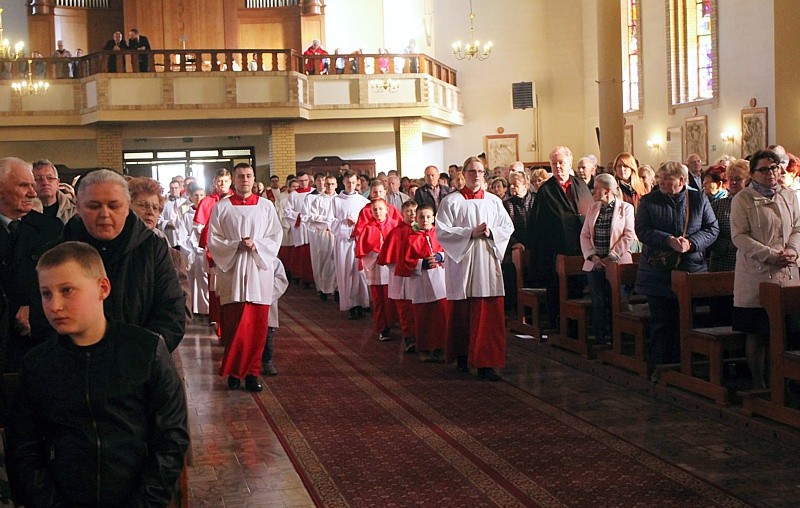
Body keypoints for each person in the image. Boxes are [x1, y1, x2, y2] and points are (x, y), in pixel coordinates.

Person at [8, 241, 189, 506]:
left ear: (102, 288)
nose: (54, 305)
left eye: (67, 290)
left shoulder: (145, 350)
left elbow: (170, 438)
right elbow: (24, 449)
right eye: (46, 294)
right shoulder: (38, 364)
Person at [52, 169, 186, 352]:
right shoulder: (62, 249)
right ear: (78, 206)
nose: (104, 214)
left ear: (127, 206)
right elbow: (48, 314)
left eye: (114, 206)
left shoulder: (152, 247)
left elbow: (171, 311)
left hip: (139, 363)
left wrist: (139, 356)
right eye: (94, 206)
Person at [635, 161, 719, 379]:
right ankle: (660, 369)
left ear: (682, 181)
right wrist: (668, 240)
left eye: (667, 179)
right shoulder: (648, 200)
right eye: (659, 178)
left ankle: (686, 369)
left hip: (690, 269)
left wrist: (691, 243)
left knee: (685, 321)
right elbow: (642, 230)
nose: (661, 182)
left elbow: (712, 229)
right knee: (661, 322)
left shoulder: (699, 199)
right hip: (657, 271)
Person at [437, 156, 514, 381]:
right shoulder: (451, 201)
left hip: (487, 262)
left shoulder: (493, 201)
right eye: (472, 171)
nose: (477, 175)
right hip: (462, 262)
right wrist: (469, 232)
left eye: (480, 171)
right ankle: (462, 355)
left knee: (486, 313)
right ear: (463, 174)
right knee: (461, 311)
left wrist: (491, 233)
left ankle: (485, 362)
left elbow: (507, 227)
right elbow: (442, 231)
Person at [207, 163, 282, 392]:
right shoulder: (222, 207)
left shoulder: (266, 206)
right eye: (240, 176)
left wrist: (256, 244)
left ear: (253, 179)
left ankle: (252, 373)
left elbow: (275, 236)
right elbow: (214, 240)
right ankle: (234, 372)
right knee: (234, 325)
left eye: (248, 176)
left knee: (257, 328)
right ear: (233, 180)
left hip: (259, 272)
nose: (245, 180)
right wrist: (236, 245)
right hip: (233, 271)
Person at [730, 150, 800, 389]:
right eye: (764, 169)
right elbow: (740, 237)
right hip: (757, 273)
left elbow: (798, 228)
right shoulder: (743, 199)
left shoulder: (788, 195)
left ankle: (782, 383)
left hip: (787, 272)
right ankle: (760, 384)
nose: (770, 173)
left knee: (784, 330)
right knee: (757, 331)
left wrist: (793, 251)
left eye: (774, 168)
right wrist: (771, 256)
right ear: (753, 173)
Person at [0, 158, 64, 372]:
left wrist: (34, 309)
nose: (33, 193)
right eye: (23, 185)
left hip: (38, 347)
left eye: (32, 185)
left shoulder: (51, 230)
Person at [528, 146, 593, 328]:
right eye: (554, 163)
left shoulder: (580, 185)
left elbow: (588, 211)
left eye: (561, 162)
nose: (558, 167)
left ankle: (577, 326)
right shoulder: (545, 190)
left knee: (578, 287)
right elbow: (538, 223)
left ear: (570, 162)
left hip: (580, 247)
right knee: (557, 288)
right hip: (556, 249)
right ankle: (558, 325)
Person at [579, 174, 635, 345]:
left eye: (596, 188)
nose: (593, 191)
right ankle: (600, 339)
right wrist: (593, 256)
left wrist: (612, 256)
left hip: (617, 262)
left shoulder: (626, 208)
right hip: (595, 263)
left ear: (608, 190)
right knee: (598, 301)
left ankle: (618, 338)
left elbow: (628, 235)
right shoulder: (593, 208)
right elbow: (585, 234)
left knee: (616, 300)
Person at [396, 203, 448, 363]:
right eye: (421, 217)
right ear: (416, 219)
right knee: (423, 316)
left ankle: (440, 347)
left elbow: (450, 251)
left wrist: (440, 257)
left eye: (428, 217)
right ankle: (424, 348)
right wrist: (420, 264)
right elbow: (404, 260)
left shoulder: (440, 234)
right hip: (420, 280)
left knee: (440, 314)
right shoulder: (411, 237)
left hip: (438, 278)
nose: (424, 220)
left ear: (433, 218)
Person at [194, 168, 233, 333]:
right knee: (214, 284)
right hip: (213, 250)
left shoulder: (235, 199)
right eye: (219, 181)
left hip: (233, 250)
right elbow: (198, 226)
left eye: (225, 181)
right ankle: (215, 316)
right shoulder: (207, 201)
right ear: (214, 182)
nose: (222, 184)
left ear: (230, 181)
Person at [355, 199, 399, 340]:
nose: (378, 212)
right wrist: (376, 254)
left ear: (387, 209)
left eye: (380, 209)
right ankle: (383, 328)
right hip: (376, 268)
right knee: (379, 299)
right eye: (375, 210)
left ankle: (397, 324)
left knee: (394, 298)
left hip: (392, 268)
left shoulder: (395, 225)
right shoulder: (368, 228)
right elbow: (363, 251)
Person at [378, 200, 417, 352]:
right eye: (408, 211)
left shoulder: (422, 230)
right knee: (405, 307)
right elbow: (388, 257)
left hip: (419, 275)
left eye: (414, 211)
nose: (412, 214)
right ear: (402, 213)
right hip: (401, 276)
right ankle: (409, 338)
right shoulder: (397, 232)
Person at [330, 171, 370, 319]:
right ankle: (351, 305)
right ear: (343, 182)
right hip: (344, 241)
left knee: (360, 273)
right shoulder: (336, 200)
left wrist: (359, 225)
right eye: (348, 182)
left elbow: (369, 222)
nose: (350, 185)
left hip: (360, 241)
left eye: (353, 182)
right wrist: (345, 223)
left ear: (357, 183)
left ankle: (363, 303)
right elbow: (331, 222)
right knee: (347, 272)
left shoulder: (363, 201)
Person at [502, 171, 536, 311]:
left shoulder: (535, 200)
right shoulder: (506, 204)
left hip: (534, 245)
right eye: (511, 185)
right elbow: (504, 227)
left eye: (516, 185)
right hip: (514, 247)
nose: (512, 188)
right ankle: (517, 310)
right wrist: (514, 242)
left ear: (526, 186)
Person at [708, 159, 748, 272]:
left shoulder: (754, 205)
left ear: (748, 181)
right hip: (723, 264)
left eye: (738, 179)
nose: (734, 182)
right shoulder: (718, 205)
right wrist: (729, 245)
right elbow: (708, 235)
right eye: (731, 179)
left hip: (749, 263)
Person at [178, 183, 210, 315]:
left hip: (205, 252)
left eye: (202, 195)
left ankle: (207, 310)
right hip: (192, 253)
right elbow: (182, 236)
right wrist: (193, 248)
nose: (199, 198)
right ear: (190, 197)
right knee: (191, 282)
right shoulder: (187, 215)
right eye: (196, 195)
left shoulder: (210, 213)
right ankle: (194, 309)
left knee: (206, 282)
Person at [308, 174, 339, 300]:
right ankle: (324, 289)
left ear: (336, 185)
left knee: (336, 261)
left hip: (337, 234)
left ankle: (337, 288)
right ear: (324, 185)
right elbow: (312, 216)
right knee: (323, 260)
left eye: (332, 184)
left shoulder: (340, 199)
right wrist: (328, 221)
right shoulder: (318, 199)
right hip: (323, 234)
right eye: (328, 184)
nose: (330, 186)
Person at [283, 171, 315, 286]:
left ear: (309, 180)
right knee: (302, 252)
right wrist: (299, 216)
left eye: (306, 180)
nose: (304, 183)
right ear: (298, 181)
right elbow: (287, 211)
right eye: (301, 181)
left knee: (314, 251)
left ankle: (314, 277)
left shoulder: (314, 193)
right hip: (301, 225)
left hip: (312, 225)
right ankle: (303, 277)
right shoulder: (294, 195)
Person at [32, 159, 77, 224]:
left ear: (57, 183)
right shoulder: (24, 210)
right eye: (39, 179)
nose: (45, 182)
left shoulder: (73, 211)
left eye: (50, 178)